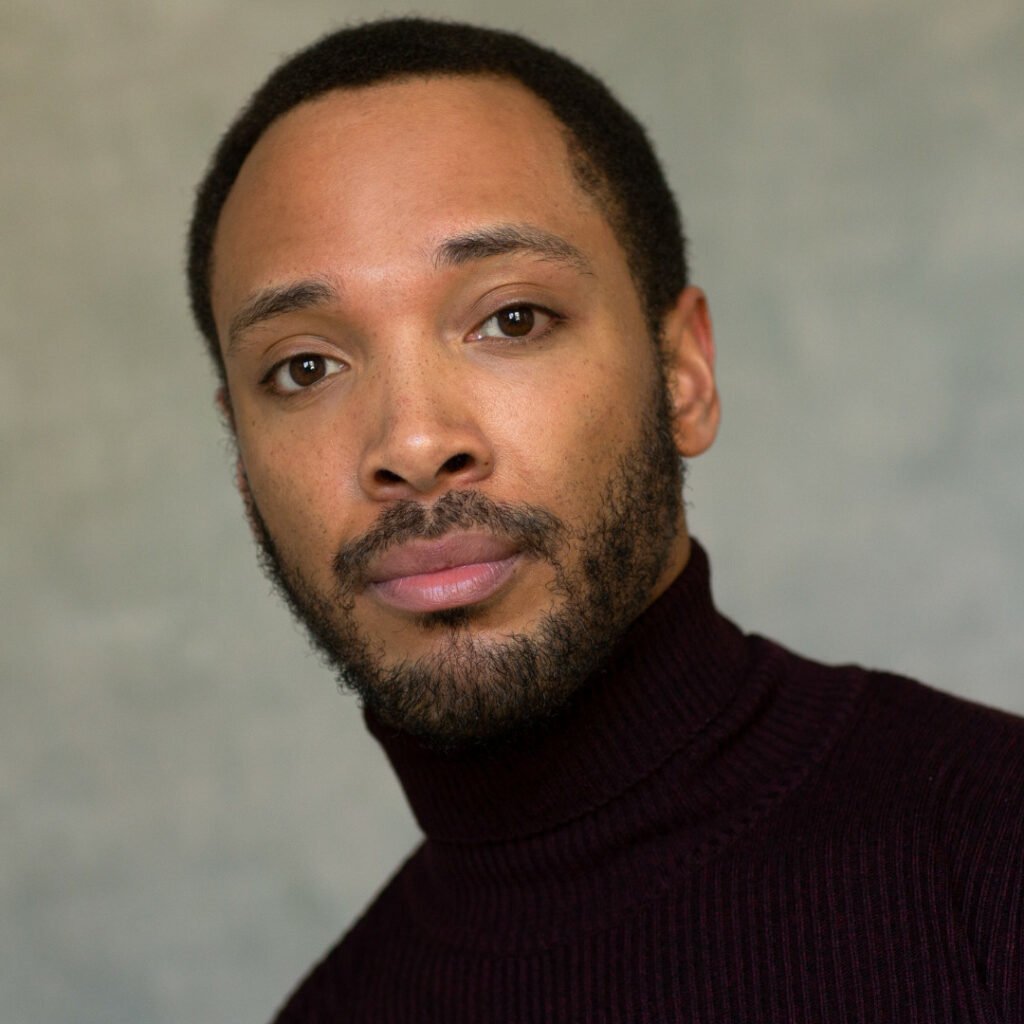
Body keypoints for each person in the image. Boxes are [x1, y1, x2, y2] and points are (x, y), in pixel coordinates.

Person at [186, 18, 1023, 1022]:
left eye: (511, 318)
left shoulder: (995, 857)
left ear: (683, 375)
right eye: (304, 367)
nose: (411, 443)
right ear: (241, 458)